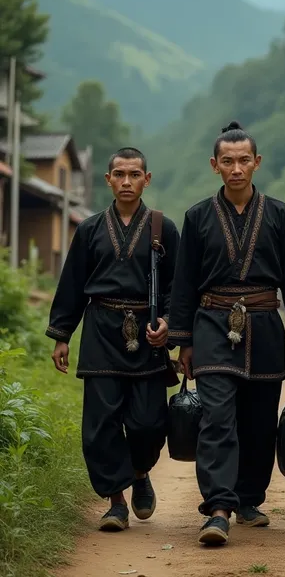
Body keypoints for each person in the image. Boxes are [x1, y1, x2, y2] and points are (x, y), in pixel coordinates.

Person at [168, 121, 285, 546]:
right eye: (228, 161)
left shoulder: (280, 214)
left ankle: (249, 498)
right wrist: (185, 341)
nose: (237, 169)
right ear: (215, 165)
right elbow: (184, 283)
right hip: (213, 323)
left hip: (266, 325)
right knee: (217, 418)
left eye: (244, 161)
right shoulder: (198, 217)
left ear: (257, 162)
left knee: (258, 421)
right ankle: (218, 506)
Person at [45, 147, 180, 532]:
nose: (126, 181)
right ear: (108, 180)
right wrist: (62, 335)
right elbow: (72, 285)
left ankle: (140, 473)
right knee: (101, 424)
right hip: (101, 331)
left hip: (149, 335)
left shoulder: (162, 228)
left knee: (149, 423)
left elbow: (176, 286)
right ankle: (117, 501)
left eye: (134, 174)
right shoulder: (89, 229)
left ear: (146, 179)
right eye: (118, 174)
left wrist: (170, 322)